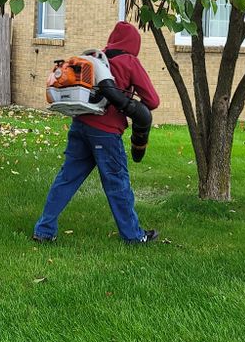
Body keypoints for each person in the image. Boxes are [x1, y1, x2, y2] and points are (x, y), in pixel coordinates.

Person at [33, 22, 161, 245]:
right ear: (134, 44)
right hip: (106, 133)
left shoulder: (94, 59)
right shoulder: (129, 61)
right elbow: (153, 101)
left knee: (66, 179)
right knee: (118, 184)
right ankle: (133, 236)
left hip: (80, 125)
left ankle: (44, 230)